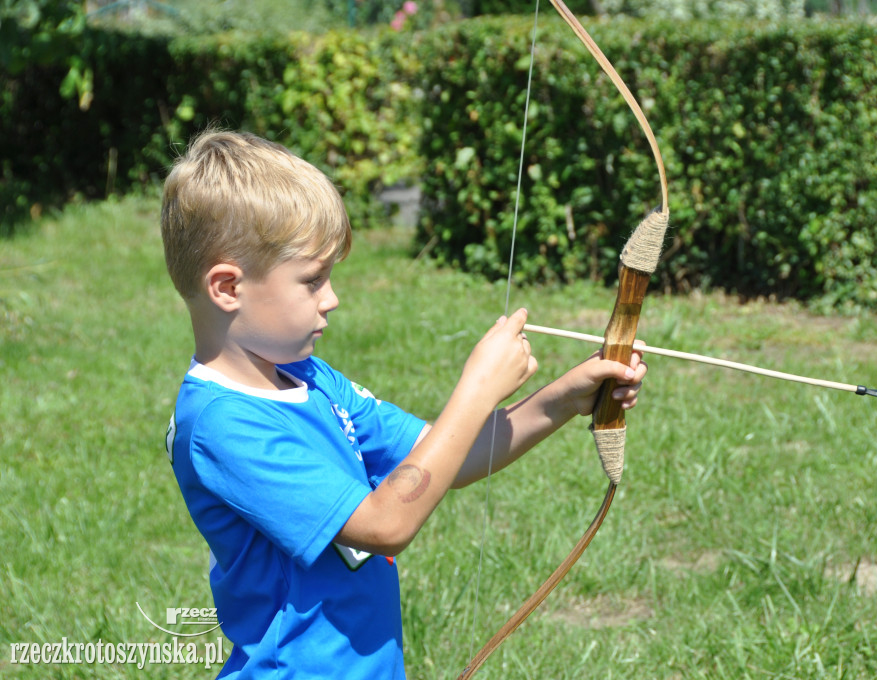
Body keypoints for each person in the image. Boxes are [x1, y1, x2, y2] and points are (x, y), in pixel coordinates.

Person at [160, 130, 647, 679]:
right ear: (228, 287)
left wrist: (564, 399)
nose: (332, 297)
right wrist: (476, 388)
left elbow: (443, 455)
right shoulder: (224, 426)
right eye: (312, 280)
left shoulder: (308, 378)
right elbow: (385, 522)